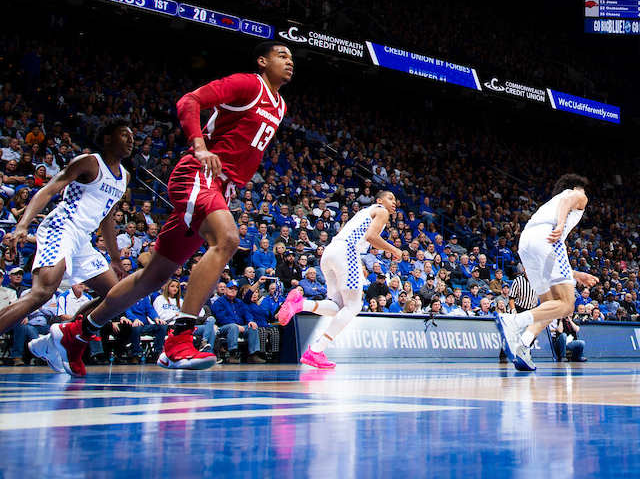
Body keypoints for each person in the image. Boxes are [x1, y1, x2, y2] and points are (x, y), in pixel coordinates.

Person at [47, 42, 292, 374]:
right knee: (228, 239)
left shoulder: (280, 105)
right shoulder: (248, 84)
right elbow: (188, 101)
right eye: (282, 56)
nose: (290, 61)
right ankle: (179, 339)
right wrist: (199, 144)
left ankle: (75, 333)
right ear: (262, 62)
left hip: (221, 187)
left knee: (151, 277)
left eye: (292, 58)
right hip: (198, 174)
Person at [2, 119, 133, 376]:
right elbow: (49, 189)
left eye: (132, 136)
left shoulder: (125, 177)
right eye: (124, 134)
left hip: (83, 238)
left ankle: (57, 340)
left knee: (117, 296)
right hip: (62, 226)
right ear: (107, 138)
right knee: (42, 293)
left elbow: (107, 218)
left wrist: (116, 259)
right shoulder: (90, 162)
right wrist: (23, 223)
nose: (131, 139)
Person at [275, 190, 405, 369]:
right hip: (347, 251)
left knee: (340, 307)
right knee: (354, 306)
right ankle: (316, 350)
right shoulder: (381, 210)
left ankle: (300, 304)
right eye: (390, 198)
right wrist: (395, 250)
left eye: (395, 199)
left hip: (331, 251)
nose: (394, 202)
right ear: (378, 200)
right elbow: (370, 237)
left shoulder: (363, 213)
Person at [494, 174, 599, 372]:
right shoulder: (576, 195)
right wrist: (560, 225)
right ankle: (513, 322)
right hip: (548, 237)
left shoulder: (549, 205)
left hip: (526, 241)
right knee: (567, 306)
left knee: (551, 306)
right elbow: (568, 201)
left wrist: (575, 275)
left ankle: (522, 345)